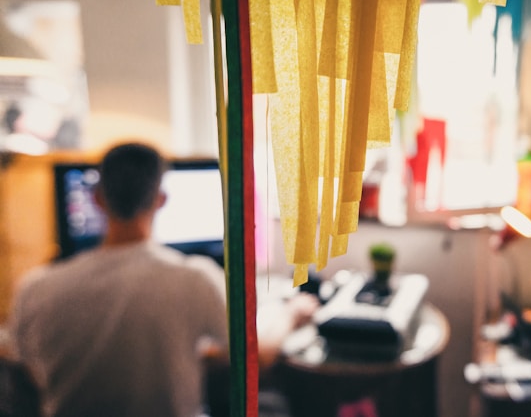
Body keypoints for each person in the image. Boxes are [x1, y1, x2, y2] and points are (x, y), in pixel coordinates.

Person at [8, 142, 318, 417]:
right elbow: (256, 355)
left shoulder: (36, 288)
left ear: (98, 199)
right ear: (160, 200)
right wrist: (292, 312)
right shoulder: (192, 279)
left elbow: (25, 365)